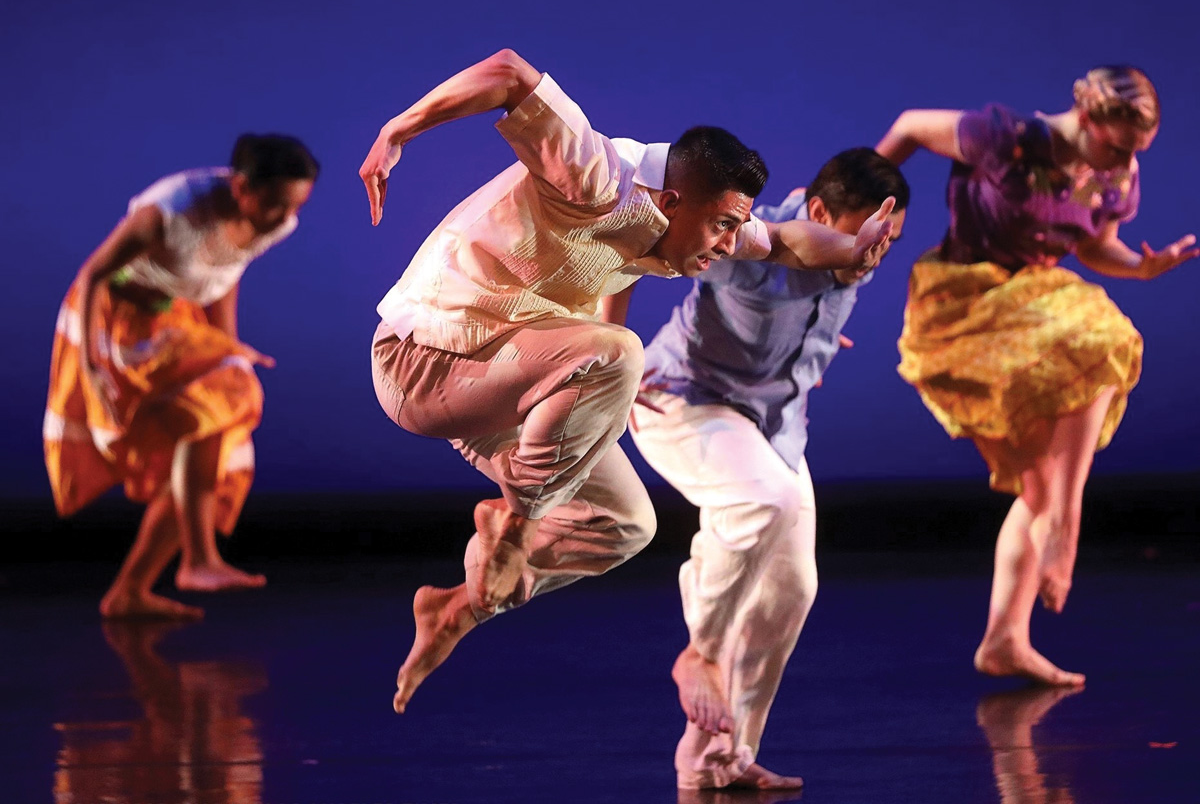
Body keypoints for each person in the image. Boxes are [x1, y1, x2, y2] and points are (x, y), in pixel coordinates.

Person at [359, 49, 896, 715]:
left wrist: (853, 251)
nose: (730, 244)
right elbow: (508, 74)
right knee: (616, 353)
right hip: (423, 361)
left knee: (624, 524)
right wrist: (398, 130)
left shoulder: (693, 223)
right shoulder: (598, 175)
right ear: (671, 200)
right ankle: (516, 530)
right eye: (723, 225)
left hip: (511, 384)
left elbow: (784, 242)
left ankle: (456, 609)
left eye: (736, 226)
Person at [875, 65, 1196, 685]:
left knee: (1041, 483)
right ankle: (1066, 525)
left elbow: (1096, 247)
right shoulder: (1008, 139)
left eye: (1134, 151)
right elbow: (911, 126)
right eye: (1116, 144)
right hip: (965, 298)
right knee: (1103, 338)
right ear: (1087, 115)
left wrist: (1143, 267)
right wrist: (869, 202)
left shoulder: (1115, 171)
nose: (1123, 161)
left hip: (1031, 302)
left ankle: (1004, 639)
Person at [626, 148, 909, 790]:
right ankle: (697, 652)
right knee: (767, 500)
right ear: (818, 212)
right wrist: (611, 350)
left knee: (791, 587)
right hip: (681, 399)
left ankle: (718, 759)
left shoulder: (850, 262)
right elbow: (643, 249)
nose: (871, 255)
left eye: (886, 243)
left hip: (771, 427)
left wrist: (807, 334)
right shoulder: (750, 245)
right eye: (862, 236)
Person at [44, 134, 319, 619]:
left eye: (293, 205)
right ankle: (198, 558)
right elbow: (95, 275)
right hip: (116, 324)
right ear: (239, 188)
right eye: (274, 203)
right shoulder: (171, 210)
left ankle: (129, 591)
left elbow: (224, 274)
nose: (283, 217)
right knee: (230, 396)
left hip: (175, 323)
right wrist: (89, 365)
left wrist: (226, 347)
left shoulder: (275, 223)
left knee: (215, 440)